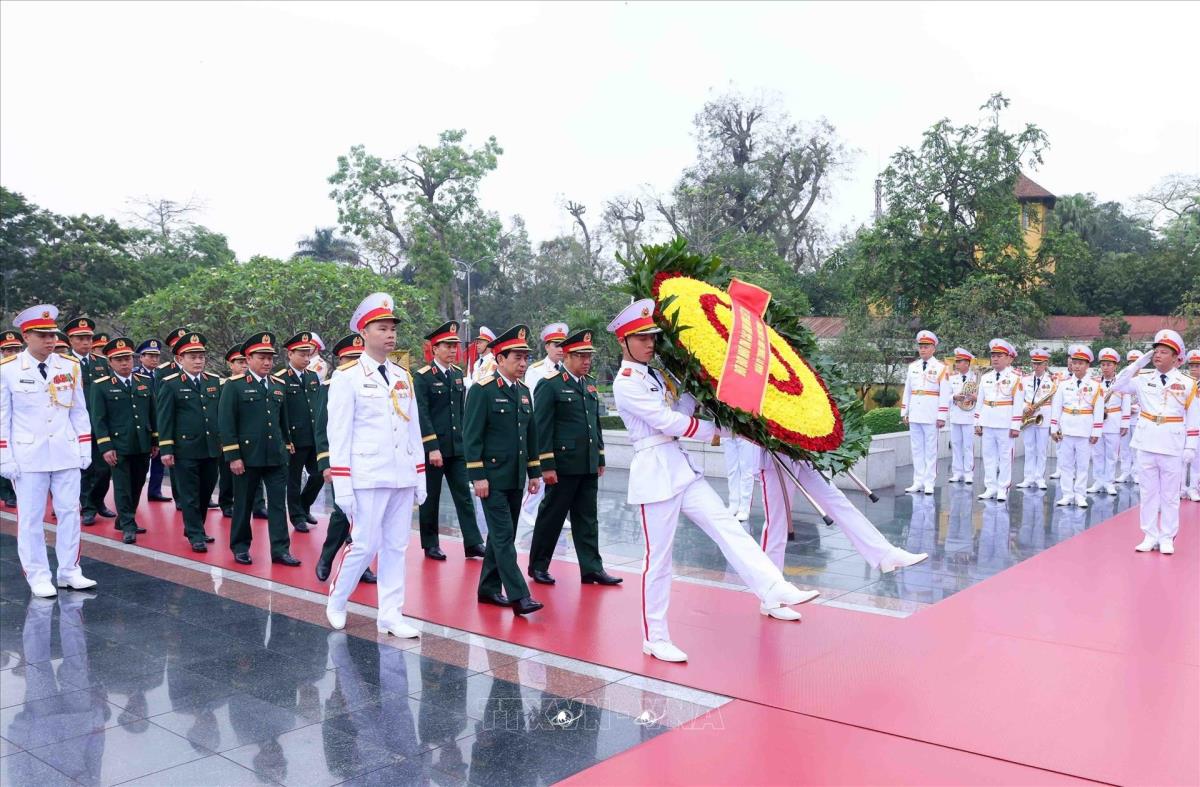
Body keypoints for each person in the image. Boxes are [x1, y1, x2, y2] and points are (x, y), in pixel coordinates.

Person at [608, 299, 816, 664]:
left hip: (680, 468)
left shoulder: (654, 375)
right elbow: (668, 423)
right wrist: (721, 431)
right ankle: (655, 638)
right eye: (641, 338)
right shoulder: (626, 383)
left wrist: (695, 386)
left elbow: (678, 411)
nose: (650, 343)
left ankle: (773, 587)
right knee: (659, 560)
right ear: (623, 342)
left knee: (728, 528)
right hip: (655, 474)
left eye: (652, 337)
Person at [324, 293, 426, 638]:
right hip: (367, 475)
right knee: (364, 545)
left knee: (396, 547)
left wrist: (420, 475)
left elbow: (413, 429)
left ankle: (390, 615)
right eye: (382, 328)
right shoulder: (347, 376)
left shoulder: (402, 375)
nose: (390, 334)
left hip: (401, 474)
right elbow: (339, 434)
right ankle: (338, 599)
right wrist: (342, 486)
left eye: (392, 328)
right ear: (364, 333)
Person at [0, 304, 97, 597]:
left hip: (65, 451)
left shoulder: (69, 366)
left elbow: (79, 410)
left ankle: (69, 571)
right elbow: (2, 417)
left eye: (52, 334)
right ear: (26, 337)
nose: (50, 340)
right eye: (42, 335)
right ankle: (38, 575)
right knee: (31, 518)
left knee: (70, 513)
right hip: (28, 456)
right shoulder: (8, 369)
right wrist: (4, 456)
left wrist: (84, 447)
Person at [527, 329, 621, 586]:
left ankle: (592, 568)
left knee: (587, 518)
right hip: (563, 465)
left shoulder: (588, 384)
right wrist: (546, 465)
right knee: (552, 516)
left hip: (586, 463)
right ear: (567, 356)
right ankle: (538, 566)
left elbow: (594, 424)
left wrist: (599, 457)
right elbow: (542, 427)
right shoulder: (550, 384)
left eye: (589, 356)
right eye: (581, 356)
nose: (587, 361)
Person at [464, 325, 545, 616]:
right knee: (502, 535)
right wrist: (478, 476)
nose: (523, 364)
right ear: (500, 359)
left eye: (525, 358)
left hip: (515, 477)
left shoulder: (523, 391)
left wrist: (534, 472)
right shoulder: (482, 390)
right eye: (517, 358)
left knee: (502, 536)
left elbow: (531, 435)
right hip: (492, 477)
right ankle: (519, 596)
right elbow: (471, 437)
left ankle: (488, 588)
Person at [758, 446, 928, 574]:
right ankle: (772, 590)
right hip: (775, 457)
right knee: (777, 524)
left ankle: (885, 554)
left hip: (801, 453)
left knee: (838, 503)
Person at [1110, 330, 1199, 554]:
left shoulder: (1187, 383)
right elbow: (1117, 386)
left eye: (1164, 352)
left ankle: (1167, 537)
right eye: (1155, 351)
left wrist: (1191, 446)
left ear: (1176, 357)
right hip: (1146, 441)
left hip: (1172, 444)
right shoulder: (1143, 379)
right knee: (1148, 493)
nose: (1157, 355)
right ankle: (1149, 535)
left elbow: (1193, 416)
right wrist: (1137, 364)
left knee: (1170, 495)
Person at [218, 332, 300, 567]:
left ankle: (281, 550)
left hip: (275, 456)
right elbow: (226, 423)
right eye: (261, 358)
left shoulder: (278, 385)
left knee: (277, 505)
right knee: (243, 505)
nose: (267, 363)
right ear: (248, 359)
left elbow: (283, 421)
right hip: (247, 457)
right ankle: (240, 547)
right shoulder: (235, 386)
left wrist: (286, 446)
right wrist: (233, 456)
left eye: (270, 358)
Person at [413, 321, 485, 561]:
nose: (453, 350)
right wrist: (432, 447)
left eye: (455, 346)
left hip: (456, 447)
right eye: (447, 346)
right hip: (434, 449)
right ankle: (430, 543)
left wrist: (465, 442)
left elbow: (460, 412)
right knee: (430, 497)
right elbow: (422, 413)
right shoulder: (423, 377)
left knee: (464, 495)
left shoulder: (456, 374)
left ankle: (473, 542)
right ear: (435, 349)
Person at [314, 333, 375, 585]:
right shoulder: (331, 385)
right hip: (343, 460)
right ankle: (327, 557)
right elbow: (322, 428)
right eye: (350, 358)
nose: (355, 363)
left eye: (359, 358)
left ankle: (360, 565)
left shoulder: (373, 383)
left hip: (368, 460)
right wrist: (326, 464)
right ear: (340, 361)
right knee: (342, 512)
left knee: (367, 516)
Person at [156, 332, 222, 552]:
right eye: (192, 357)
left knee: (206, 491)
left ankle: (197, 527)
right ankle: (195, 534)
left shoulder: (213, 381)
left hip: (210, 447)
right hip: (185, 449)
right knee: (190, 494)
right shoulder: (171, 384)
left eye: (201, 356)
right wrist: (166, 448)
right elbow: (165, 418)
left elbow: (219, 414)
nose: (198, 361)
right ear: (180, 359)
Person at [88, 337, 157, 544]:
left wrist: (155, 440)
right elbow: (99, 420)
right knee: (122, 487)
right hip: (118, 445)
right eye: (119, 360)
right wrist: (106, 446)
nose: (125, 363)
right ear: (110, 362)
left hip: (142, 443)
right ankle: (128, 524)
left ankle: (124, 519)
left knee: (137, 484)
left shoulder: (144, 382)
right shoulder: (101, 386)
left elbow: (152, 413)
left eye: (127, 358)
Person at [64, 316, 115, 526]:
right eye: (80, 338)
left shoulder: (102, 363)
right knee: (83, 468)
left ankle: (98, 501)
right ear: (70, 340)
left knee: (104, 468)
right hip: (75, 424)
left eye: (88, 338)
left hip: (101, 423)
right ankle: (87, 507)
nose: (86, 342)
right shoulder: (63, 363)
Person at [518, 323, 568, 530]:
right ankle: (527, 509)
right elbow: (530, 401)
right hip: (542, 428)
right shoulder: (536, 370)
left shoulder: (567, 369)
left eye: (563, 344)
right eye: (556, 345)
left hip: (561, 431)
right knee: (539, 472)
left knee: (558, 475)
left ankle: (555, 512)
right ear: (547, 346)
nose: (560, 349)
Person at [276, 331, 323, 533]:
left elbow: (317, 407)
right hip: (294, 439)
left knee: (319, 475)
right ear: (290, 354)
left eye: (308, 354)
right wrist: (285, 439)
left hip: (312, 437)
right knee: (293, 480)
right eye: (302, 354)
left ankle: (304, 506)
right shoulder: (280, 379)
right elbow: (279, 413)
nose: (306, 359)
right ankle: (296, 517)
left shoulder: (312, 377)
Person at [1049, 345, 1103, 509]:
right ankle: (1067, 494)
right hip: (1066, 429)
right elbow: (1056, 407)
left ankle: (1080, 495)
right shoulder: (1063, 384)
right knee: (1065, 464)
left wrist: (1096, 431)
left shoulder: (1095, 386)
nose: (1077, 366)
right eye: (1075, 363)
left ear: (1087, 365)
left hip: (1085, 429)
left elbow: (1099, 410)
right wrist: (1053, 428)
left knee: (1082, 465)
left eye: (1081, 363)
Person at [974, 338, 1023, 502]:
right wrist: (977, 422)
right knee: (988, 456)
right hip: (988, 421)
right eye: (993, 355)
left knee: (1005, 457)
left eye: (999, 356)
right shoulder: (986, 377)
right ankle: (990, 487)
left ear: (1008, 358)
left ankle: (1003, 488)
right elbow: (980, 401)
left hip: (1005, 422)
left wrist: (1015, 425)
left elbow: (1018, 403)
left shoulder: (1015, 377)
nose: (995, 359)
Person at [901, 330, 944, 494]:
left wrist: (941, 416)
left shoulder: (941, 368)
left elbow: (944, 393)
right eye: (921, 347)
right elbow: (908, 390)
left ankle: (929, 482)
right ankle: (918, 481)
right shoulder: (913, 367)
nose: (923, 349)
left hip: (931, 414)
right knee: (917, 449)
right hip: (915, 412)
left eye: (926, 346)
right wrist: (905, 412)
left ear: (933, 348)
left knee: (931, 450)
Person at [134, 338, 172, 503]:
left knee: (159, 458)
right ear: (141, 357)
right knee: (140, 461)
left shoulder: (163, 375)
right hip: (143, 423)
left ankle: (155, 490)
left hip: (160, 421)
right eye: (150, 356)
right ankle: (134, 493)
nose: (154, 359)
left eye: (156, 356)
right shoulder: (135, 374)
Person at [1088, 347, 1130, 496]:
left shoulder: (1121, 383)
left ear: (1115, 366)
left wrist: (1125, 423)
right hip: (1097, 422)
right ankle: (1098, 481)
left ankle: (1109, 482)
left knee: (1111, 454)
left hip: (1114, 420)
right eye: (1103, 364)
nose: (1105, 368)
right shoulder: (1094, 383)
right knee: (1097, 453)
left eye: (1109, 365)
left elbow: (1126, 403)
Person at [1016, 348, 1055, 490]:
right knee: (1029, 448)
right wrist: (1024, 408)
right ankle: (1028, 477)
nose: (1036, 366)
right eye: (1034, 363)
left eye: (1039, 364)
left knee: (1041, 449)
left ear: (1045, 364)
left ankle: (1039, 478)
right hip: (1028, 416)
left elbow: (1055, 402)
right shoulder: (1024, 379)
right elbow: (1019, 398)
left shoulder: (1052, 381)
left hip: (1043, 417)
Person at [217, 344, 247, 518]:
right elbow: (219, 414)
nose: (244, 365)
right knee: (227, 473)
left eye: (246, 361)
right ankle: (226, 502)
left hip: (248, 437)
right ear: (231, 364)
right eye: (240, 362)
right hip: (228, 437)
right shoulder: (222, 385)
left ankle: (257, 504)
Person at [940, 347, 977, 484]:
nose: (956, 364)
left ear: (967, 363)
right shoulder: (952, 378)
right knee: (955, 445)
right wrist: (954, 397)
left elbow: (980, 397)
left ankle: (968, 473)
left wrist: (975, 397)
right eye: (956, 361)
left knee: (968, 446)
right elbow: (946, 396)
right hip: (955, 415)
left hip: (969, 416)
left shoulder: (976, 378)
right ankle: (957, 472)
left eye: (959, 361)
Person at [0, 330, 22, 508]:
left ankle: (13, 491)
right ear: (2, 351)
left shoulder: (24, 368)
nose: (13, 353)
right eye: (9, 350)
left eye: (16, 349)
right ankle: (6, 493)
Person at [1115, 349, 1145, 484]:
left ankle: (1136, 473)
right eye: (1131, 363)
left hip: (1138, 418)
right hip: (1123, 419)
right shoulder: (1122, 379)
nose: (1133, 366)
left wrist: (1136, 408)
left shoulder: (1144, 380)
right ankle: (1125, 471)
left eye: (1136, 363)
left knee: (1136, 448)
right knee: (1124, 447)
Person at [1183, 349, 1200, 503]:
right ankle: (1181, 488)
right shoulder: (1184, 384)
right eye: (1192, 366)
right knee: (1181, 459)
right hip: (1183, 425)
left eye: (1197, 366)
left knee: (1196, 459)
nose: (1194, 369)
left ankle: (1194, 487)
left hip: (1198, 427)